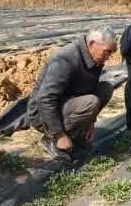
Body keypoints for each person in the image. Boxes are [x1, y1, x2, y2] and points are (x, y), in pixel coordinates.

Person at [26, 26, 117, 162]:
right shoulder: (66, 59)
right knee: (90, 102)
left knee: (106, 88)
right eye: (107, 52)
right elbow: (45, 99)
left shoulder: (94, 57)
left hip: (68, 102)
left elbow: (91, 88)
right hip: (42, 115)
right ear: (92, 44)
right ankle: (51, 138)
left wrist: (90, 122)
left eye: (111, 53)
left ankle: (76, 133)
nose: (108, 57)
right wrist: (59, 134)